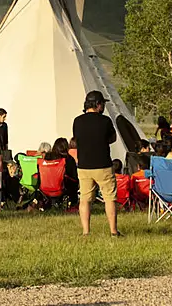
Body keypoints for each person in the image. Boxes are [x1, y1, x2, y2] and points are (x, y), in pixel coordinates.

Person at [73, 90, 119, 237]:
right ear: (98, 105)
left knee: (85, 199)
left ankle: (86, 231)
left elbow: (76, 140)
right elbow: (112, 138)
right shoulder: (105, 121)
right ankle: (113, 231)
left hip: (84, 165)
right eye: (103, 104)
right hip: (103, 164)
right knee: (109, 198)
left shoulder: (77, 121)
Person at [46, 137, 79, 204]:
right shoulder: (68, 159)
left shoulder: (48, 157)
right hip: (62, 186)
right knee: (73, 181)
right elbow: (74, 176)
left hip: (45, 185)